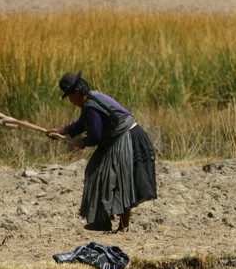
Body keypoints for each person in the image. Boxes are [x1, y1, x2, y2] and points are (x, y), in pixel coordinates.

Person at [47, 71, 157, 232]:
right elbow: (82, 124)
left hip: (127, 138)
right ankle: (109, 221)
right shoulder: (92, 99)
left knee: (110, 177)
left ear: (77, 92)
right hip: (124, 136)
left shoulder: (91, 106)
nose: (70, 101)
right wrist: (61, 131)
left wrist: (82, 142)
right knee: (109, 175)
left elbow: (96, 136)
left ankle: (110, 222)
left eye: (70, 96)